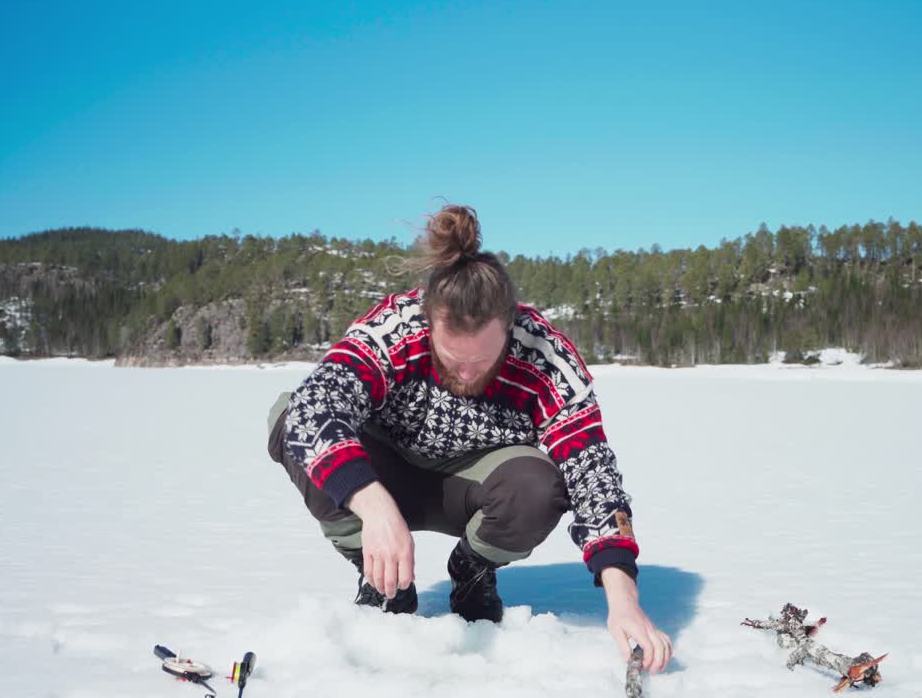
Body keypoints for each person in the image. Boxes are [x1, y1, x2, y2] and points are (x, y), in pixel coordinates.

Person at [266, 205, 671, 672]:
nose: (464, 373)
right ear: (429, 321)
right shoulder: (397, 327)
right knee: (292, 421)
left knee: (539, 486)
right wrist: (373, 506)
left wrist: (623, 599)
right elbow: (317, 402)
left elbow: (593, 472)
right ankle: (381, 576)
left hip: (472, 488)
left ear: (509, 328)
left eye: (481, 361)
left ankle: (473, 570)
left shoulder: (543, 354)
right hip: (384, 477)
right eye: (451, 357)